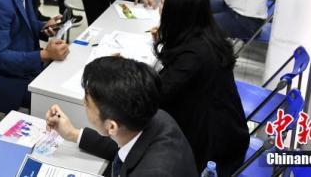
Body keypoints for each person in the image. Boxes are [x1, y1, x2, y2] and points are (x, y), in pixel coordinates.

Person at [152, 0, 249, 176]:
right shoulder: (205, 33)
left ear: (177, 13)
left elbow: (159, 93)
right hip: (225, 127)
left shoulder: (195, 54)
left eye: (163, 3)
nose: (159, 8)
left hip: (214, 148)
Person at [46, 57, 198, 177]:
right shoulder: (155, 117)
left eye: (87, 100)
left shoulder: (151, 172)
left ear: (112, 126)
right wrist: (73, 134)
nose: (82, 102)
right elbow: (123, 146)